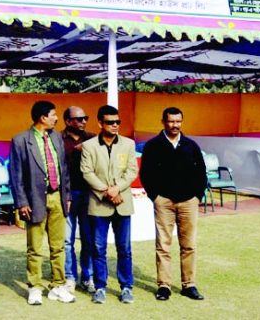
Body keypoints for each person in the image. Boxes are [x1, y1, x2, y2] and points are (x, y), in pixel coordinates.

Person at [9, 100, 75, 305]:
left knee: (58, 246)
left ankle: (58, 285)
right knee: (35, 248)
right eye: (53, 115)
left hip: (58, 198)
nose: (57, 118)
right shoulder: (21, 140)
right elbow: (16, 175)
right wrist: (21, 202)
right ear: (42, 117)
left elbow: (63, 169)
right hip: (35, 199)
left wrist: (68, 195)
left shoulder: (56, 137)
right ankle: (35, 287)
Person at [140, 106, 207, 302]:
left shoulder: (190, 145)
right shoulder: (153, 145)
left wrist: (197, 197)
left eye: (178, 121)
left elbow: (201, 173)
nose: (175, 125)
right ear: (163, 122)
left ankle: (189, 285)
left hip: (188, 202)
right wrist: (156, 196)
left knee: (189, 245)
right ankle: (164, 285)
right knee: (163, 245)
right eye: (171, 121)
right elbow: (146, 173)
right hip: (164, 202)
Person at [81, 104, 137, 305]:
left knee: (124, 248)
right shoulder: (89, 146)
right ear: (100, 123)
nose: (115, 126)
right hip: (99, 204)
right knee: (98, 248)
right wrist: (107, 192)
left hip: (122, 203)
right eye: (110, 122)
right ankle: (100, 287)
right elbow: (87, 172)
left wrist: (117, 189)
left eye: (117, 122)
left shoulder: (128, 144)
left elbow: (132, 171)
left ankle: (126, 287)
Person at [61, 105, 94, 293]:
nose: (82, 122)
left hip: (89, 195)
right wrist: (76, 150)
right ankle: (70, 276)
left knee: (88, 239)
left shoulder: (91, 138)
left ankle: (87, 277)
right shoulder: (58, 139)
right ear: (68, 121)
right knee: (67, 240)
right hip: (67, 195)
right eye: (78, 119)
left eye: (85, 118)